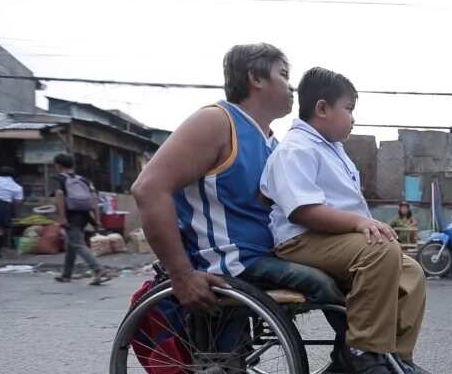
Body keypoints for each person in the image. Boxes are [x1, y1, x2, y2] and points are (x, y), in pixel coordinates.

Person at [260, 67, 432, 374]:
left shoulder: (331, 147)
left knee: (410, 269)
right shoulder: (296, 149)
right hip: (302, 239)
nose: (353, 119)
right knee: (380, 252)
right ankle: (363, 353)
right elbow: (302, 211)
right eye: (349, 110)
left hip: (329, 239)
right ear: (322, 109)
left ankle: (397, 355)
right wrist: (357, 224)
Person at [131, 43, 343, 313]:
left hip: (266, 255)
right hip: (232, 260)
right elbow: (148, 189)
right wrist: (181, 274)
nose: (292, 87)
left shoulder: (275, 145)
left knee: (351, 268)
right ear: (255, 78)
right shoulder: (217, 122)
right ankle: (358, 354)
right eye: (284, 75)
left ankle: (371, 350)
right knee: (322, 283)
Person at [51, 154, 111, 285]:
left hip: (71, 215)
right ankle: (66, 275)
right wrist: (97, 219)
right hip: (85, 216)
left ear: (58, 165)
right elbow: (94, 198)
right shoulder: (84, 180)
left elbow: (59, 195)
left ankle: (98, 269)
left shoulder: (58, 179)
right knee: (72, 243)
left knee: (77, 244)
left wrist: (62, 217)